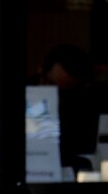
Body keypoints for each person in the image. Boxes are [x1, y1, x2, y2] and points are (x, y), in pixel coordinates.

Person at [33, 44, 98, 176]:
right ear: (41, 75)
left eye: (63, 93)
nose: (55, 97)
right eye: (51, 85)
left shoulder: (83, 112)